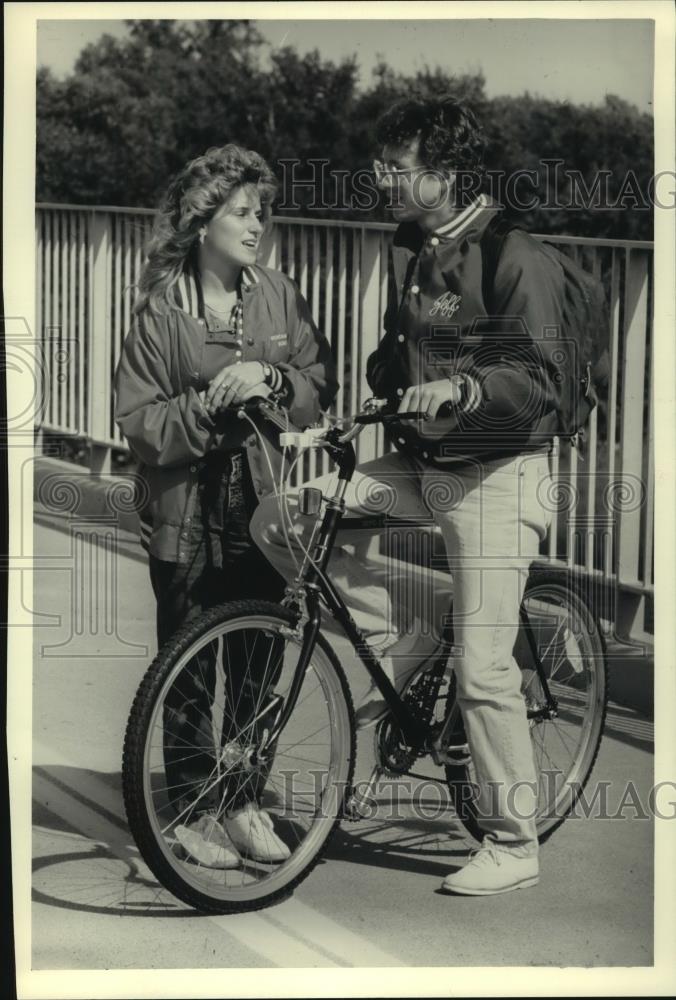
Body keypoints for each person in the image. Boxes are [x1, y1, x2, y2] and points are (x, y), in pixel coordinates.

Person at [251, 96, 565, 895]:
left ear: (447, 174)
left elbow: (542, 379)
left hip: (499, 473)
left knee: (486, 671)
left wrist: (462, 385)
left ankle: (513, 840)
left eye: (399, 167)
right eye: (383, 163)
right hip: (422, 465)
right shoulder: (409, 243)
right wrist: (385, 389)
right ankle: (405, 639)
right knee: (286, 517)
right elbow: (402, 351)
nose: (380, 177)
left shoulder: (511, 250)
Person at [114, 143, 338, 869]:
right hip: (186, 511)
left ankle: (242, 800)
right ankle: (187, 812)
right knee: (187, 670)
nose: (257, 225)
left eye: (262, 212)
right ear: (203, 219)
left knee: (255, 663)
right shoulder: (160, 310)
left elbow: (315, 377)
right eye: (242, 212)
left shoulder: (277, 293)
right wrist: (211, 406)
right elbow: (140, 422)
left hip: (263, 505)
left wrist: (268, 375)